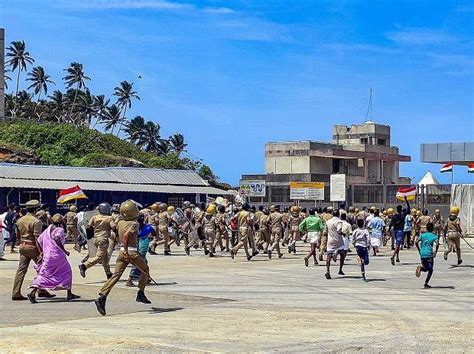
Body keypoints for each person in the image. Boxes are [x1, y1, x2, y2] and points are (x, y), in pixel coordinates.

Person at [94, 200, 151, 316]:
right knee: (145, 270)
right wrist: (126, 251)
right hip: (130, 252)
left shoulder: (119, 222)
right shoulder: (134, 224)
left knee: (116, 276)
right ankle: (140, 293)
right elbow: (125, 237)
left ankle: (102, 296)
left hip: (120, 253)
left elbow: (118, 224)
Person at [27, 214, 80, 303]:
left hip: (48, 256)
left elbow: (39, 240)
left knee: (44, 274)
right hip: (57, 255)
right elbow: (57, 238)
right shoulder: (60, 229)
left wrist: (42, 252)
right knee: (67, 272)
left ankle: (33, 292)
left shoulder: (48, 229)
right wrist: (64, 250)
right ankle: (69, 293)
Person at [12, 200, 55, 301]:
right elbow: (37, 238)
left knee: (21, 270)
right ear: (36, 209)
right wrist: (41, 251)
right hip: (33, 247)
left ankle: (16, 292)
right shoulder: (36, 221)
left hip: (23, 246)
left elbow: (17, 234)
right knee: (43, 268)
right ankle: (40, 290)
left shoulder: (20, 220)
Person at [79, 202, 116, 280]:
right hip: (103, 239)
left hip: (95, 238)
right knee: (99, 257)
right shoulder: (109, 218)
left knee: (105, 257)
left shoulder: (95, 217)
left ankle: (108, 273)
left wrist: (93, 233)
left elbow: (89, 227)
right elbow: (114, 228)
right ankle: (84, 266)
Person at [126, 213, 156, 287]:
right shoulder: (138, 226)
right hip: (140, 245)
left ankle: (146, 277)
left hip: (138, 245)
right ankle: (130, 279)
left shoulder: (134, 226)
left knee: (144, 261)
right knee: (140, 262)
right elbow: (154, 233)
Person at [415, 223, 439, 288]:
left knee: (426, 268)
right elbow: (437, 244)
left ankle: (421, 268)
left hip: (422, 254)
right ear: (433, 228)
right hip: (429, 254)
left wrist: (419, 250)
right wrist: (435, 252)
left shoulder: (422, 235)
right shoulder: (434, 236)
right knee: (430, 269)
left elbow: (416, 242)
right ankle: (426, 283)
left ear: (426, 228)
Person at [324, 210, 345, 279]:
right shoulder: (339, 221)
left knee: (328, 256)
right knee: (342, 254)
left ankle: (327, 270)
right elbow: (339, 230)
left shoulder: (328, 221)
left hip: (330, 241)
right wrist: (343, 233)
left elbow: (325, 231)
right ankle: (340, 269)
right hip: (338, 240)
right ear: (338, 214)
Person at [389, 198, 410, 266]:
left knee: (397, 244)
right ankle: (393, 256)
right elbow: (409, 208)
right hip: (400, 231)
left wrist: (389, 230)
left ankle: (397, 257)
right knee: (398, 245)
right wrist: (406, 200)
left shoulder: (394, 216)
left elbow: (391, 224)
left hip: (395, 231)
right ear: (401, 210)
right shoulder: (403, 215)